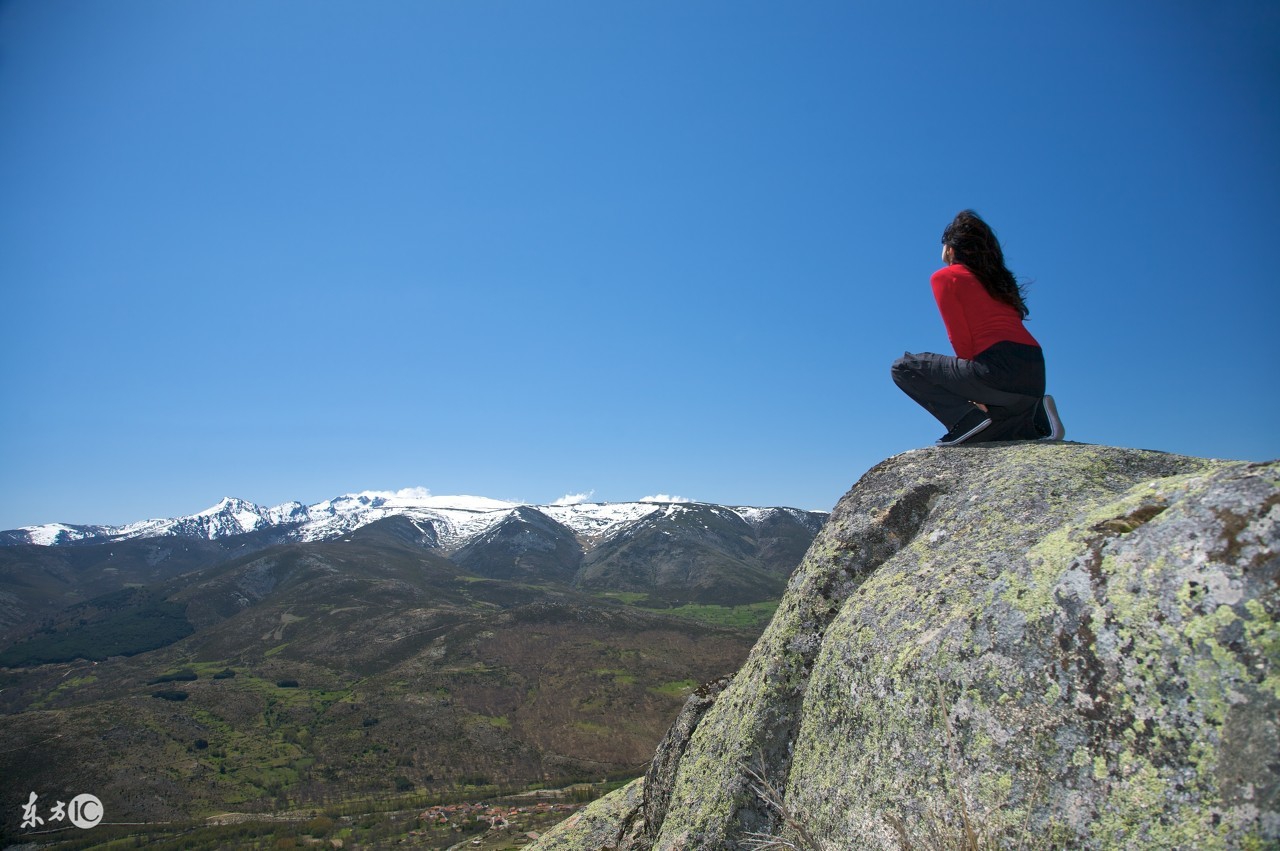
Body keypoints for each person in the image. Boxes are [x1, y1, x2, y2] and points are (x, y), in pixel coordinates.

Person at [891, 210, 1065, 446]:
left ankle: (965, 421)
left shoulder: (947, 277)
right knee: (996, 429)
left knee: (903, 367)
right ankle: (1036, 418)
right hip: (1033, 372)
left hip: (997, 368)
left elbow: (960, 338)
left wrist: (971, 394)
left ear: (950, 248)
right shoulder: (998, 282)